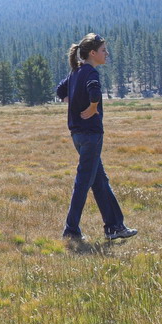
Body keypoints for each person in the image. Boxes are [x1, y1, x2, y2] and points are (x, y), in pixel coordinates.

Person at [55, 33, 137, 241]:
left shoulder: (76, 72)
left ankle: (115, 226)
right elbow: (94, 90)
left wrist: (73, 102)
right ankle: (71, 230)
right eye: (103, 50)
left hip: (77, 135)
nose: (106, 54)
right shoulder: (90, 72)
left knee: (99, 180)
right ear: (92, 53)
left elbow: (59, 90)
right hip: (91, 135)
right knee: (83, 182)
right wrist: (92, 107)